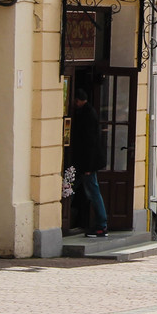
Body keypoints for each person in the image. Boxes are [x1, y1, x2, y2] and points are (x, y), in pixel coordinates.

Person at [64, 81, 108, 238]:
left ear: (77, 100)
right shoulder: (87, 112)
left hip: (86, 164)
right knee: (70, 188)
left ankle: (101, 225)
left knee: (91, 192)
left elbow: (90, 143)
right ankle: (66, 218)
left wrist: (88, 167)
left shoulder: (87, 114)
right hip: (82, 164)